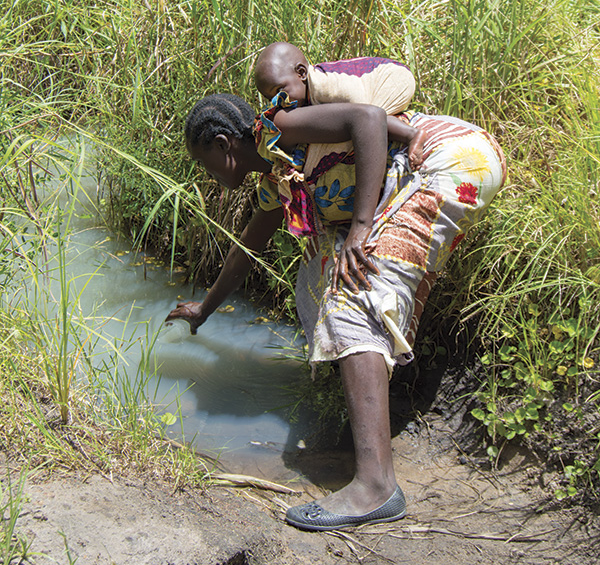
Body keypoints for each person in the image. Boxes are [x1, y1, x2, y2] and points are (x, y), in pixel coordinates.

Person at [166, 91, 506, 531]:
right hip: (437, 164)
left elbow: (367, 118)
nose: (205, 173)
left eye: (202, 161)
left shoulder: (281, 129)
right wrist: (204, 310)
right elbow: (248, 247)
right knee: (320, 271)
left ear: (221, 144)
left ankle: (376, 486)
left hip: (448, 158)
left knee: (354, 289)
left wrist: (362, 227)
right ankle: (371, 410)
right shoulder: (277, 176)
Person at [254, 42, 427, 170]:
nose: (277, 101)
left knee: (369, 120)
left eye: (279, 90)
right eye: (270, 98)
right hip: (374, 84)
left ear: (302, 73)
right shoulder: (305, 92)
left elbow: (361, 108)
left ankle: (412, 135)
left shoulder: (326, 86)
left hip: (393, 80)